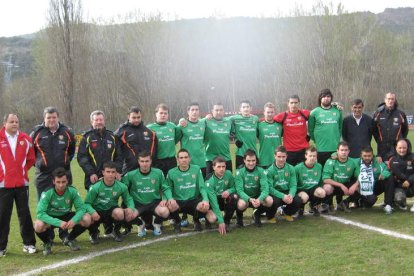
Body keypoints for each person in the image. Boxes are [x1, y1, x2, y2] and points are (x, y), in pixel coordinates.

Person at [0, 113, 36, 257]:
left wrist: (20, 171)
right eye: (11, 122)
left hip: (22, 184)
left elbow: (31, 159)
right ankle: (1, 247)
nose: (15, 124)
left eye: (17, 122)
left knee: (25, 214)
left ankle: (29, 244)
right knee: (3, 216)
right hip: (3, 185)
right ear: (5, 124)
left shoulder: (26, 139)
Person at [34, 168, 91, 255]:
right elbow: (40, 213)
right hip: (51, 217)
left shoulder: (72, 191)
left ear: (67, 181)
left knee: (86, 219)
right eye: (58, 182)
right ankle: (47, 243)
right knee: (38, 225)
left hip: (66, 215)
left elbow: (81, 209)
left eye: (63, 182)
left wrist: (74, 220)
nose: (61, 185)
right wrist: (59, 223)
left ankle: (69, 239)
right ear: (53, 181)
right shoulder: (47, 193)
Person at [85, 161, 137, 244]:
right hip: (97, 211)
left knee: (120, 212)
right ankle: (94, 233)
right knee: (87, 217)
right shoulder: (95, 187)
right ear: (103, 173)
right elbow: (87, 203)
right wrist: (92, 212)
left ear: (116, 173)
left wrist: (131, 208)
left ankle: (116, 231)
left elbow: (128, 199)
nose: (110, 174)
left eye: (113, 172)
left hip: (111, 211)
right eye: (108, 172)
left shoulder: (121, 186)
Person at [30, 106, 76, 199]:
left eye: (54, 117)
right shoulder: (36, 133)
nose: (51, 120)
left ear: (58, 118)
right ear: (44, 118)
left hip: (63, 176)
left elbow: (71, 152)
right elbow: (31, 154)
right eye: (49, 117)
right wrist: (40, 164)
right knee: (42, 208)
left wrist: (64, 162)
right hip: (43, 177)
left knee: (63, 207)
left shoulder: (67, 132)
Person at [122, 151, 172, 237]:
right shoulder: (130, 175)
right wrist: (129, 205)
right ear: (138, 162)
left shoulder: (158, 172)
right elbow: (122, 189)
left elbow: (165, 187)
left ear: (151, 161)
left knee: (165, 212)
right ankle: (140, 224)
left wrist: (167, 198)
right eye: (142, 161)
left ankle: (156, 223)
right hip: (138, 203)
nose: (144, 164)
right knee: (126, 215)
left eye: (147, 161)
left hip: (154, 203)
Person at [166, 149, 211, 233]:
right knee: (169, 205)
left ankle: (196, 220)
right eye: (181, 157)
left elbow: (202, 187)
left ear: (189, 158)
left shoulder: (196, 169)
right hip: (178, 201)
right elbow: (168, 188)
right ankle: (177, 221)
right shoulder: (171, 172)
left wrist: (205, 199)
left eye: (186, 157)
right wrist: (170, 198)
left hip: (193, 200)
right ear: (177, 159)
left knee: (205, 206)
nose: (184, 160)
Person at [78, 110, 123, 190]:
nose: (99, 122)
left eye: (101, 120)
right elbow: (82, 158)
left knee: (111, 201)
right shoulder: (86, 138)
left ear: (104, 121)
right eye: (96, 120)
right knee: (93, 202)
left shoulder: (112, 137)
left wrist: (117, 171)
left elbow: (119, 156)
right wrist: (91, 173)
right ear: (92, 122)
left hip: (111, 178)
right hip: (93, 178)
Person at [235, 149, 272, 227]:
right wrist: (249, 199)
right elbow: (239, 190)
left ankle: (257, 214)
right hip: (245, 197)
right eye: (248, 161)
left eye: (253, 160)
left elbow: (265, 189)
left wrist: (259, 199)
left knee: (269, 201)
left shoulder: (261, 171)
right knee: (241, 204)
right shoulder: (239, 171)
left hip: (257, 197)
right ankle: (239, 217)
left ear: (256, 160)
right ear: (244, 160)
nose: (251, 163)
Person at [115, 106, 157, 174]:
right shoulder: (121, 132)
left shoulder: (150, 133)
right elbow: (116, 153)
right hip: (129, 170)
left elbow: (154, 151)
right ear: (128, 117)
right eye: (134, 118)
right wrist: (118, 169)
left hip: (146, 169)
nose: (136, 120)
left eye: (138, 117)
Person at [353, 147, 394, 214]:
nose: (367, 158)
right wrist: (335, 154)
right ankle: (356, 200)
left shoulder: (377, 161)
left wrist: (383, 174)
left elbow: (386, 170)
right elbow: (345, 159)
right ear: (361, 155)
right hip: (360, 187)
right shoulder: (355, 162)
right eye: (365, 156)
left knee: (389, 177)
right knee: (370, 200)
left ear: (372, 155)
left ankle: (388, 204)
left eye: (369, 156)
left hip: (374, 186)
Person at [266, 146, 301, 221]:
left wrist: (291, 195)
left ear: (286, 156)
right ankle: (270, 216)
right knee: (274, 201)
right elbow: (270, 189)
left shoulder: (291, 168)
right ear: (275, 156)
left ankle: (287, 213)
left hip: (287, 191)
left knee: (298, 200)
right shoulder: (270, 170)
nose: (281, 159)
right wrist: (282, 196)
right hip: (275, 192)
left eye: (283, 157)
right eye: (279, 157)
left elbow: (293, 185)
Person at [308, 89, 343, 166]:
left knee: (335, 171)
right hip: (321, 148)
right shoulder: (314, 112)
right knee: (322, 171)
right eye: (324, 96)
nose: (326, 98)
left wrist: (337, 138)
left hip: (335, 147)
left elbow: (340, 127)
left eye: (328, 96)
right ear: (320, 98)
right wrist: (316, 140)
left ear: (331, 98)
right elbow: (310, 129)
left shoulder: (338, 110)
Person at [322, 142, 359, 212]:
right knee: (327, 188)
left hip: (346, 184)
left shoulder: (353, 162)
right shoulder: (331, 161)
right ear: (337, 151)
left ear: (349, 151)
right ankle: (328, 204)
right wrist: (341, 185)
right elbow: (325, 179)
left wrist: (354, 185)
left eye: (346, 150)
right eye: (342, 150)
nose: (344, 152)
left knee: (360, 187)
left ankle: (345, 202)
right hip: (334, 185)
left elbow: (360, 177)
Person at [204, 156, 237, 234]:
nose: (221, 169)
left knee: (234, 197)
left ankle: (227, 222)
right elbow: (213, 202)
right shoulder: (209, 181)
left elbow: (234, 187)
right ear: (213, 167)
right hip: (212, 203)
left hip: (222, 200)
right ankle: (207, 219)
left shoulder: (228, 174)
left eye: (223, 166)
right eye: (219, 167)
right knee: (213, 218)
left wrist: (228, 191)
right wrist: (220, 221)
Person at [274, 95, 310, 166]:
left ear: (299, 103)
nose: (294, 105)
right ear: (288, 104)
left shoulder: (304, 114)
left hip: (303, 150)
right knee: (290, 173)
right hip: (289, 151)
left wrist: (334, 106)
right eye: (292, 102)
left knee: (302, 173)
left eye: (296, 103)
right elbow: (269, 119)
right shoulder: (283, 116)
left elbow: (318, 113)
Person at [373, 92, 408, 162]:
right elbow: (374, 130)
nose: (390, 101)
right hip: (382, 149)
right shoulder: (378, 113)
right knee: (383, 170)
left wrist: (399, 140)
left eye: (392, 99)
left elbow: (405, 130)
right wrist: (380, 140)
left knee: (396, 169)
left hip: (396, 149)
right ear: (385, 100)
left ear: (395, 100)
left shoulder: (401, 114)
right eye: (389, 99)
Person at [147, 104, 180, 176]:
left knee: (172, 181)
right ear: (156, 114)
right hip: (158, 161)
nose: (163, 115)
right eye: (161, 113)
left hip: (171, 161)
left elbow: (177, 138)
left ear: (168, 115)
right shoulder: (149, 128)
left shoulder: (173, 126)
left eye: (165, 113)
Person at [177, 103, 207, 177]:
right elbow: (174, 140)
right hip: (187, 162)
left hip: (201, 161)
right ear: (188, 112)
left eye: (196, 110)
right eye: (192, 110)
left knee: (201, 185)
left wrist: (209, 116)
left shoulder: (203, 123)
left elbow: (209, 118)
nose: (194, 112)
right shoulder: (182, 125)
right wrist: (181, 120)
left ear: (199, 111)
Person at [295, 146, 326, 216]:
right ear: (306, 156)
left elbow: (321, 181)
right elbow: (294, 184)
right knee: (304, 197)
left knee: (322, 193)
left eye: (314, 156)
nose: (312, 158)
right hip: (302, 189)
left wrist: (321, 187)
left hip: (313, 188)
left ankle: (314, 206)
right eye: (310, 156)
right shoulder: (297, 168)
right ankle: (300, 208)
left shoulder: (319, 166)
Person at [204, 103, 232, 175]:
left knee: (227, 182)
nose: (219, 112)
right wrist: (182, 120)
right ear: (212, 111)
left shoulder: (229, 121)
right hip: (210, 159)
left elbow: (240, 117)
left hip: (226, 158)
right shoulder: (206, 121)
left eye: (221, 110)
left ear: (224, 111)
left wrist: (250, 115)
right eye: (216, 110)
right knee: (209, 183)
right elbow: (195, 122)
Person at [230, 100, 259, 168]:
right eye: (243, 107)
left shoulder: (255, 119)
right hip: (240, 154)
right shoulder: (234, 119)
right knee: (240, 177)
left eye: (247, 107)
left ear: (251, 108)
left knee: (255, 176)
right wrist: (235, 139)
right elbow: (223, 121)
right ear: (240, 109)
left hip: (253, 154)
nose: (246, 109)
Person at [388, 139, 414, 211]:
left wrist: (409, 181)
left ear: (407, 147)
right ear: (396, 148)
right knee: (399, 198)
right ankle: (401, 204)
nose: (402, 150)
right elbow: (398, 174)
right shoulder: (392, 160)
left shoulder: (413, 157)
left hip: (412, 184)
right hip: (401, 186)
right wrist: (405, 181)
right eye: (400, 148)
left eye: (404, 148)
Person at [257, 102, 282, 168]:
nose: (270, 114)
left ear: (274, 113)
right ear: (264, 112)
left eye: (272, 112)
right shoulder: (259, 125)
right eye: (268, 112)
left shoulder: (280, 125)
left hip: (278, 159)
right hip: (264, 160)